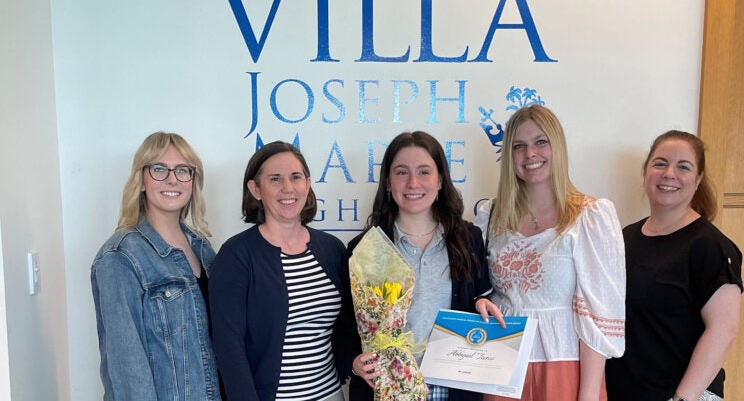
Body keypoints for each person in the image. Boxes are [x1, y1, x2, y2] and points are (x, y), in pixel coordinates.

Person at [474, 105, 626, 401]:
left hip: (565, 365)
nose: (530, 154)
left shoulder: (590, 216)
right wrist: (480, 299)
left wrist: (589, 395)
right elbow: (476, 286)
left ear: (557, 146)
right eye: (519, 146)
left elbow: (597, 314)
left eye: (540, 142)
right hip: (501, 362)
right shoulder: (491, 216)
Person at [348, 131, 505, 401]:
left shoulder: (469, 240)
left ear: (441, 180)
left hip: (452, 388)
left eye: (424, 172)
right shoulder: (364, 248)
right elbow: (345, 326)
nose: (413, 183)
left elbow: (480, 298)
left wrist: (481, 302)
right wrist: (354, 361)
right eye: (401, 172)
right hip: (386, 388)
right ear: (387, 182)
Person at [209, 141, 356, 401]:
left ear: (307, 184)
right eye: (275, 179)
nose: (287, 188)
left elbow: (346, 328)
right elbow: (228, 348)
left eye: (295, 177)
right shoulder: (236, 256)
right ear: (256, 189)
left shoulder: (332, 249)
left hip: (331, 395)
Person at [605, 130, 743, 401]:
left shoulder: (709, 245)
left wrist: (682, 398)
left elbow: (724, 329)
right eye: (660, 163)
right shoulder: (624, 238)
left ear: (698, 178)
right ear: (645, 171)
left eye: (683, 167)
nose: (669, 174)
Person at [91, 131, 221, 400]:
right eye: (160, 169)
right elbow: (127, 369)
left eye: (183, 170)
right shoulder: (120, 256)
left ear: (193, 180)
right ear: (141, 180)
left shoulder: (203, 248)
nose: (172, 179)